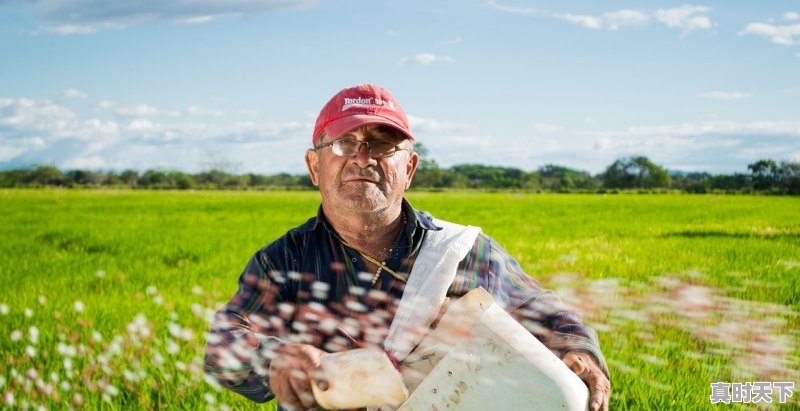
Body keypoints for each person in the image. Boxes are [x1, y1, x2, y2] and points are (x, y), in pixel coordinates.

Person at [204, 84, 611, 411]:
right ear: (315, 166)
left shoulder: (459, 251)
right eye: (345, 143)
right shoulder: (283, 261)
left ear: (409, 168)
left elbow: (541, 310)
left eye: (382, 145)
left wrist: (577, 350)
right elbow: (224, 343)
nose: (363, 158)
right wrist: (275, 359)